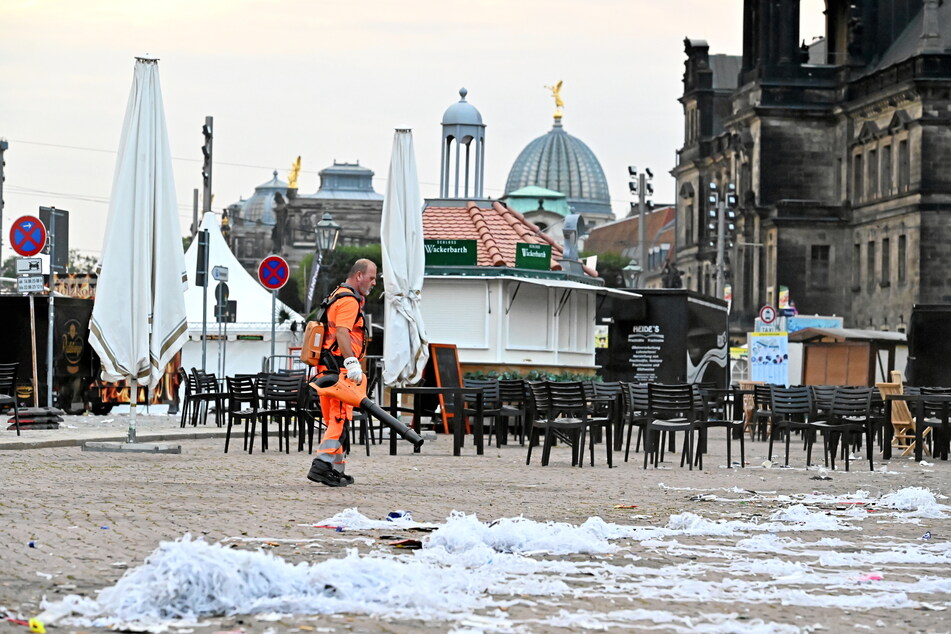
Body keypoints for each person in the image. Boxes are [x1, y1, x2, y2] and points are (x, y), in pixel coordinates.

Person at [307, 258, 377, 487]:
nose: (374, 282)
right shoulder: (349, 301)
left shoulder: (337, 294)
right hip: (339, 369)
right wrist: (352, 362)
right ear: (359, 276)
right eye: (371, 277)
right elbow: (342, 333)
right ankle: (321, 465)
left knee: (335, 422)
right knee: (339, 418)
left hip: (327, 368)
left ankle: (336, 470)